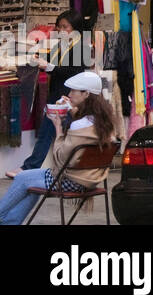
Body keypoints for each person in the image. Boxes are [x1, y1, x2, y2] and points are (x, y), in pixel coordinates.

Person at [0, 71, 115, 225]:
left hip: (70, 180)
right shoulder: (104, 122)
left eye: (74, 91)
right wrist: (72, 111)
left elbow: (60, 158)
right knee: (30, 180)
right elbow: (85, 129)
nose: (69, 94)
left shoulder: (78, 125)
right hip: (91, 179)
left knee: (22, 178)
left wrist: (58, 127)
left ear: (86, 94)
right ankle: (10, 222)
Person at [15, 12, 84, 176]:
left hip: (68, 97)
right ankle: (38, 166)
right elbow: (58, 63)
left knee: (55, 132)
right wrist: (39, 58)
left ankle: (31, 167)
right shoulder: (64, 45)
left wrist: (49, 66)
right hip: (59, 94)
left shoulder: (81, 47)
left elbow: (74, 71)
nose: (61, 30)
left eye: (65, 27)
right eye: (59, 26)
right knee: (52, 132)